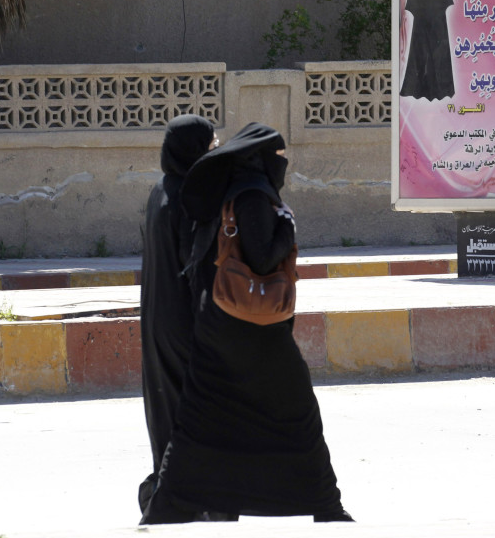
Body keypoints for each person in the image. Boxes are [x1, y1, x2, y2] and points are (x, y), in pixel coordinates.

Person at [140, 122, 353, 524]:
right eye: (279, 155)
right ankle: (320, 507)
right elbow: (238, 259)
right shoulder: (234, 196)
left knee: (188, 421)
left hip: (170, 324)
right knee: (275, 417)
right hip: (204, 326)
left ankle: (169, 503)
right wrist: (286, 226)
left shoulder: (171, 193)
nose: (284, 163)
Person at [138, 114, 217, 513]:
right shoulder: (188, 196)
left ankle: (166, 490)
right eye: (210, 144)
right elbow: (194, 265)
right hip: (183, 322)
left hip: (155, 319)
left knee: (166, 408)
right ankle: (184, 499)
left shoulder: (159, 191)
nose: (215, 150)